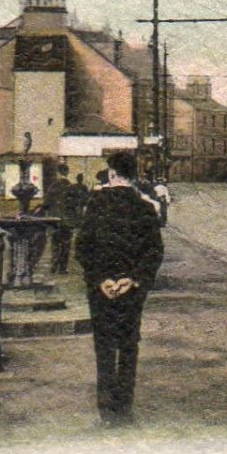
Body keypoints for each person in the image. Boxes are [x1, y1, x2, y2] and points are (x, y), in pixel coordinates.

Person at [74, 150, 164, 426]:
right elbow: (154, 252)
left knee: (103, 345)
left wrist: (101, 278)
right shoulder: (146, 208)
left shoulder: (95, 205)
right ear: (134, 176)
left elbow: (83, 248)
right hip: (131, 289)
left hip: (100, 287)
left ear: (111, 174)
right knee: (128, 344)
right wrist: (133, 279)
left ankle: (106, 410)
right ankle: (124, 407)